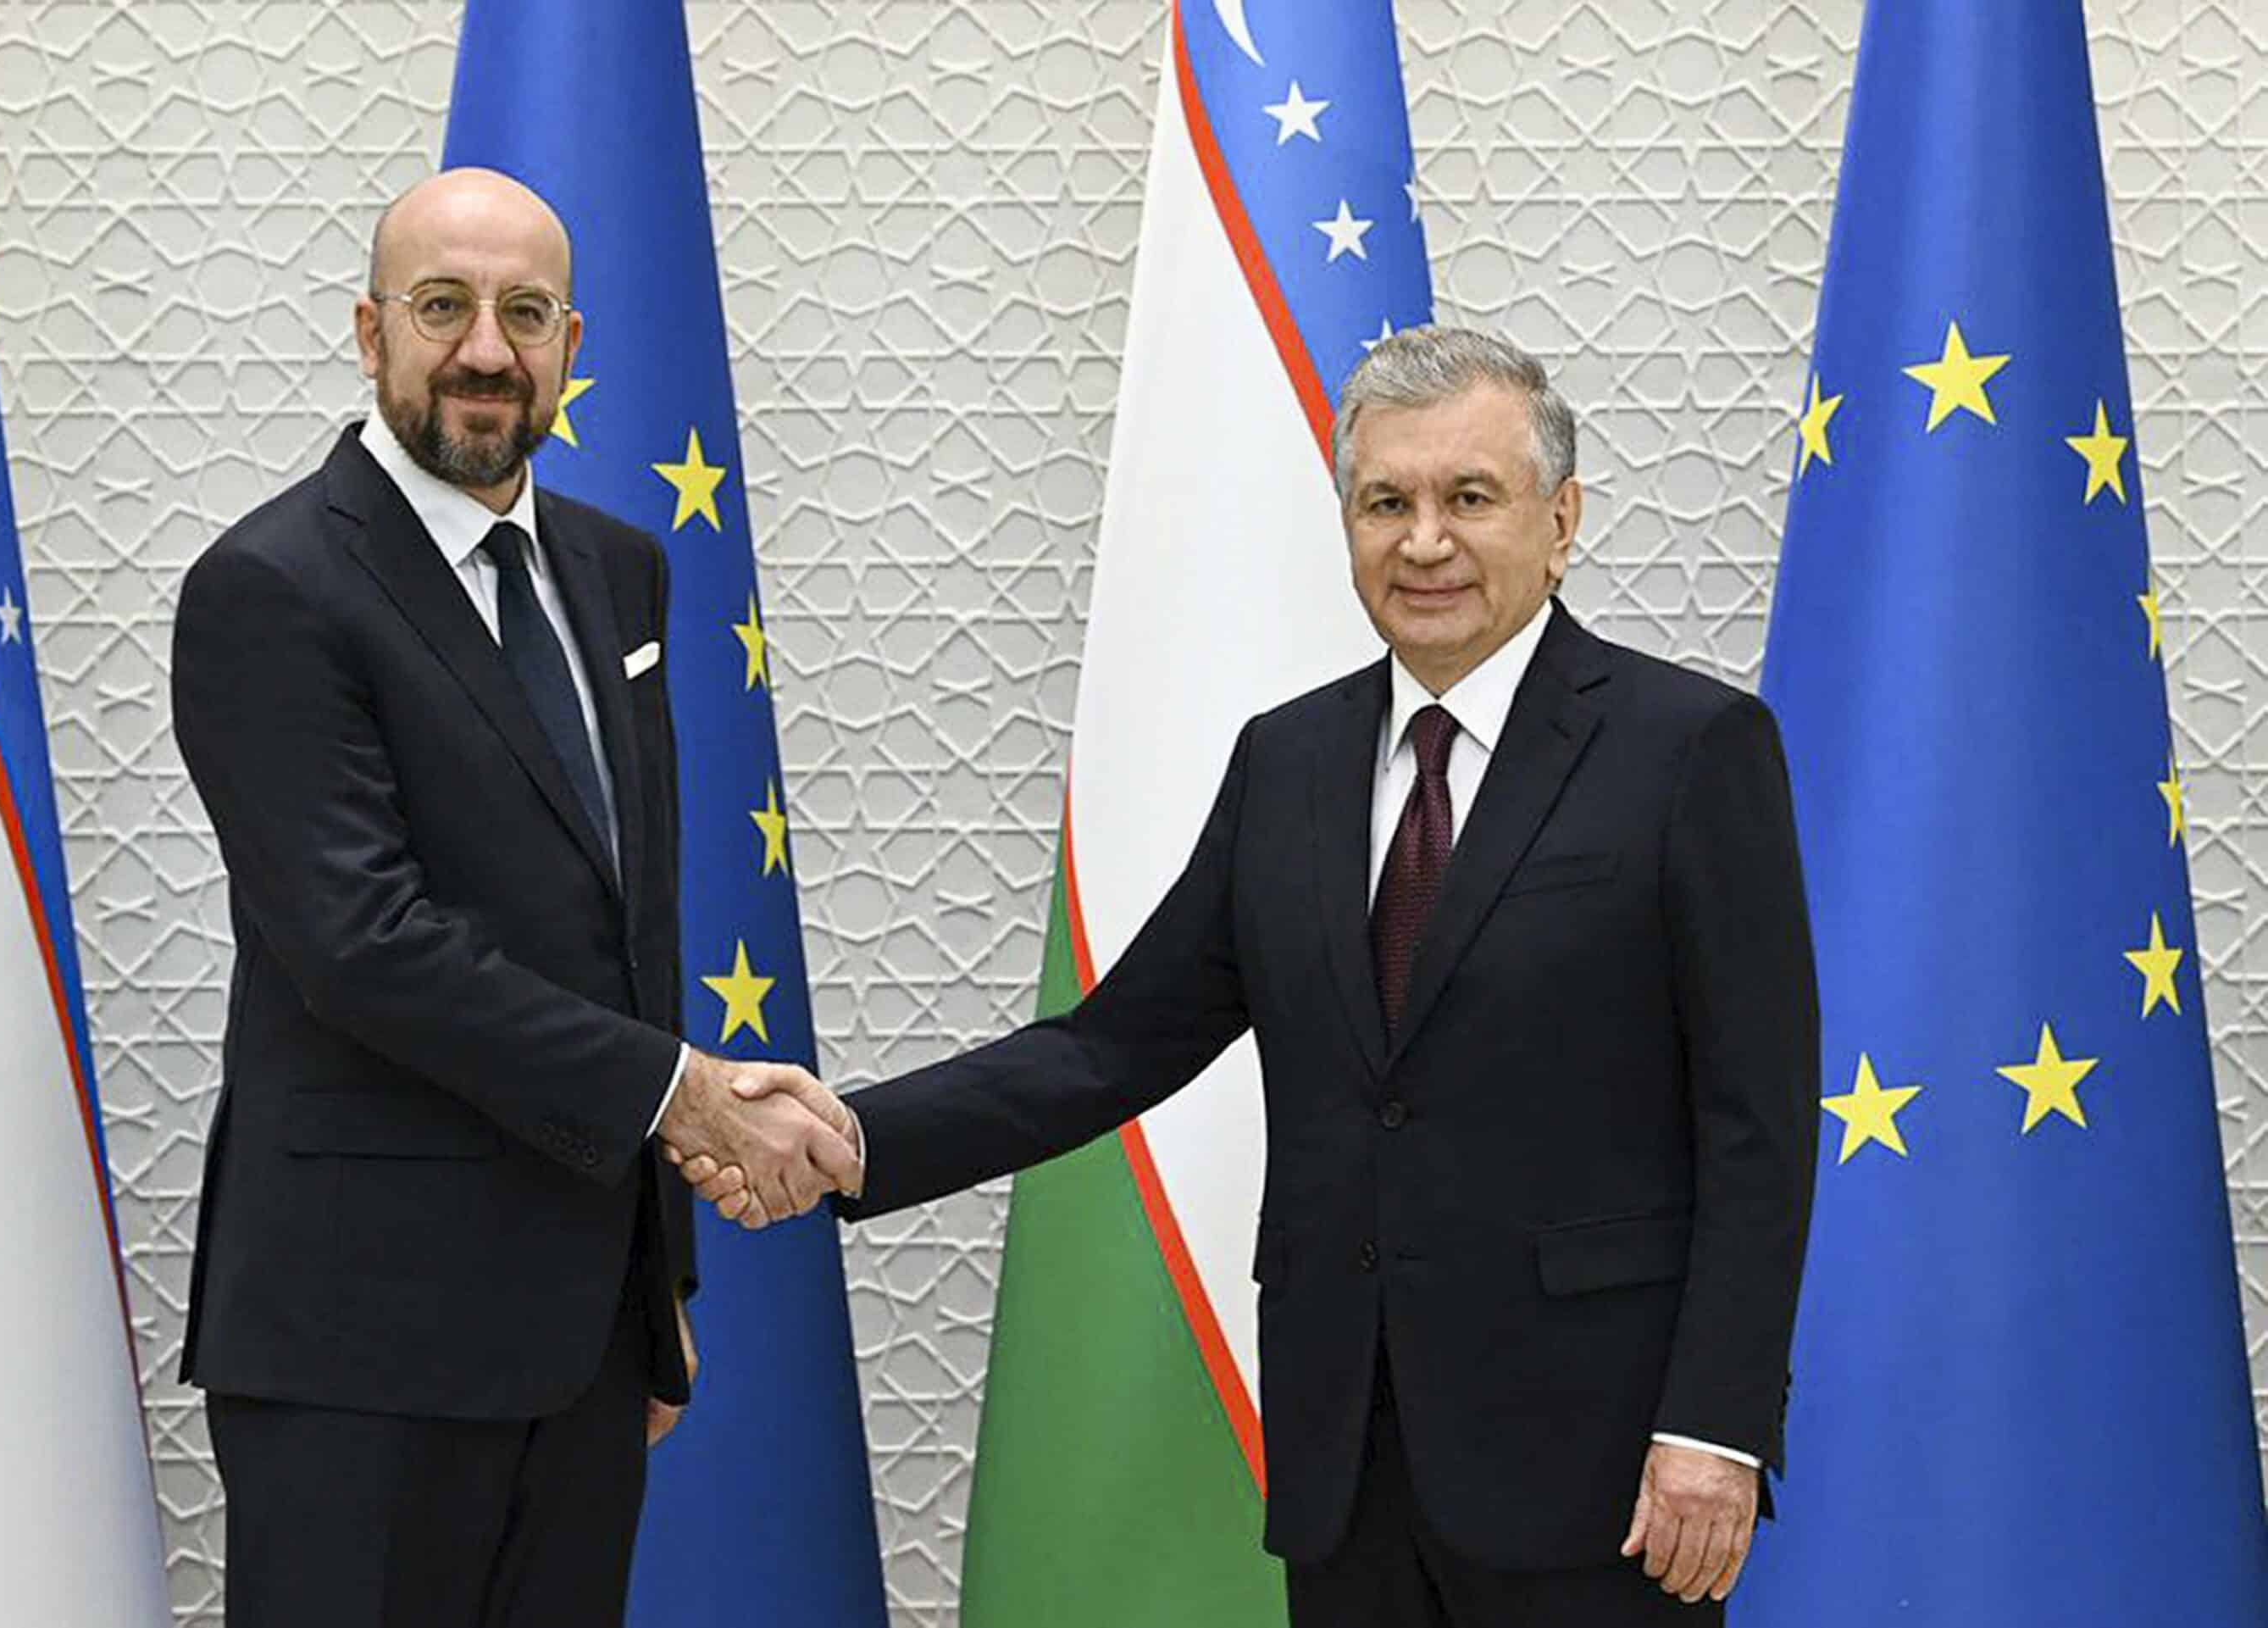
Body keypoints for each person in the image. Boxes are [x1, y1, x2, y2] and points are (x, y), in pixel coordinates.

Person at [678, 327, 1819, 1625]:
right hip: (1348, 1462)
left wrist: (1717, 1425)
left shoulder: (1690, 750)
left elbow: (1758, 1128)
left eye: (1469, 498)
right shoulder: (1289, 761)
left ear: (1561, 523)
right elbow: (1112, 1045)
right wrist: (852, 1134)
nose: (1425, 541)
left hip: (1600, 1465)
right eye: (1386, 501)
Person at [170, 167, 859, 1628]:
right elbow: (365, 945)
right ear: (370, 332)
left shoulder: (618, 571)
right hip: (359, 1349)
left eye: (525, 312)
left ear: (570, 342)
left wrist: (652, 1277)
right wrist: (683, 1096)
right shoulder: (270, 588)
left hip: (581, 1338)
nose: (486, 347)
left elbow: (631, 930)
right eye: (443, 306)